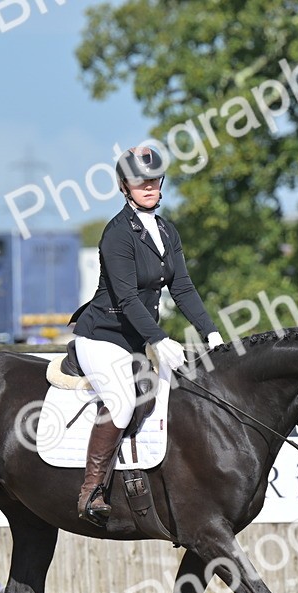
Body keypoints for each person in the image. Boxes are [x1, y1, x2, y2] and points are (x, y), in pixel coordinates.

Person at [71, 146, 223, 526]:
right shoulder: (117, 234)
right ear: (125, 186)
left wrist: (212, 333)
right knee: (122, 401)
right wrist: (158, 338)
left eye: (154, 180)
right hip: (103, 337)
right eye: (141, 182)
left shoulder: (167, 230)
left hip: (138, 339)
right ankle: (91, 490)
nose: (149, 187)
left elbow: (183, 288)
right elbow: (125, 296)